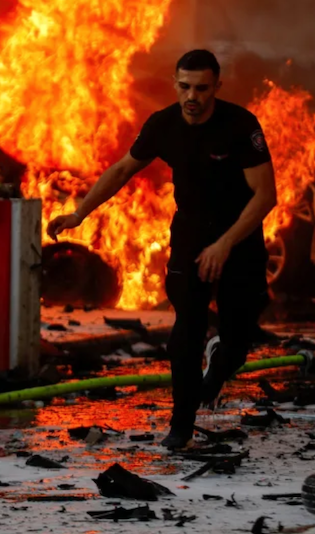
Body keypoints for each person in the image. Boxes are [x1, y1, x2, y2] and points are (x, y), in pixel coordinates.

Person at [47, 49, 278, 450]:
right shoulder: (163, 124)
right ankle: (181, 427)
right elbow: (122, 169)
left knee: (239, 342)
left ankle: (221, 361)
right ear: (175, 84)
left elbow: (265, 196)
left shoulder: (240, 126)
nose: (193, 96)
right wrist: (80, 213)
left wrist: (224, 245)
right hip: (190, 233)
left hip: (238, 238)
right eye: (185, 86)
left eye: (202, 88)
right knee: (185, 332)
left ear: (216, 88)